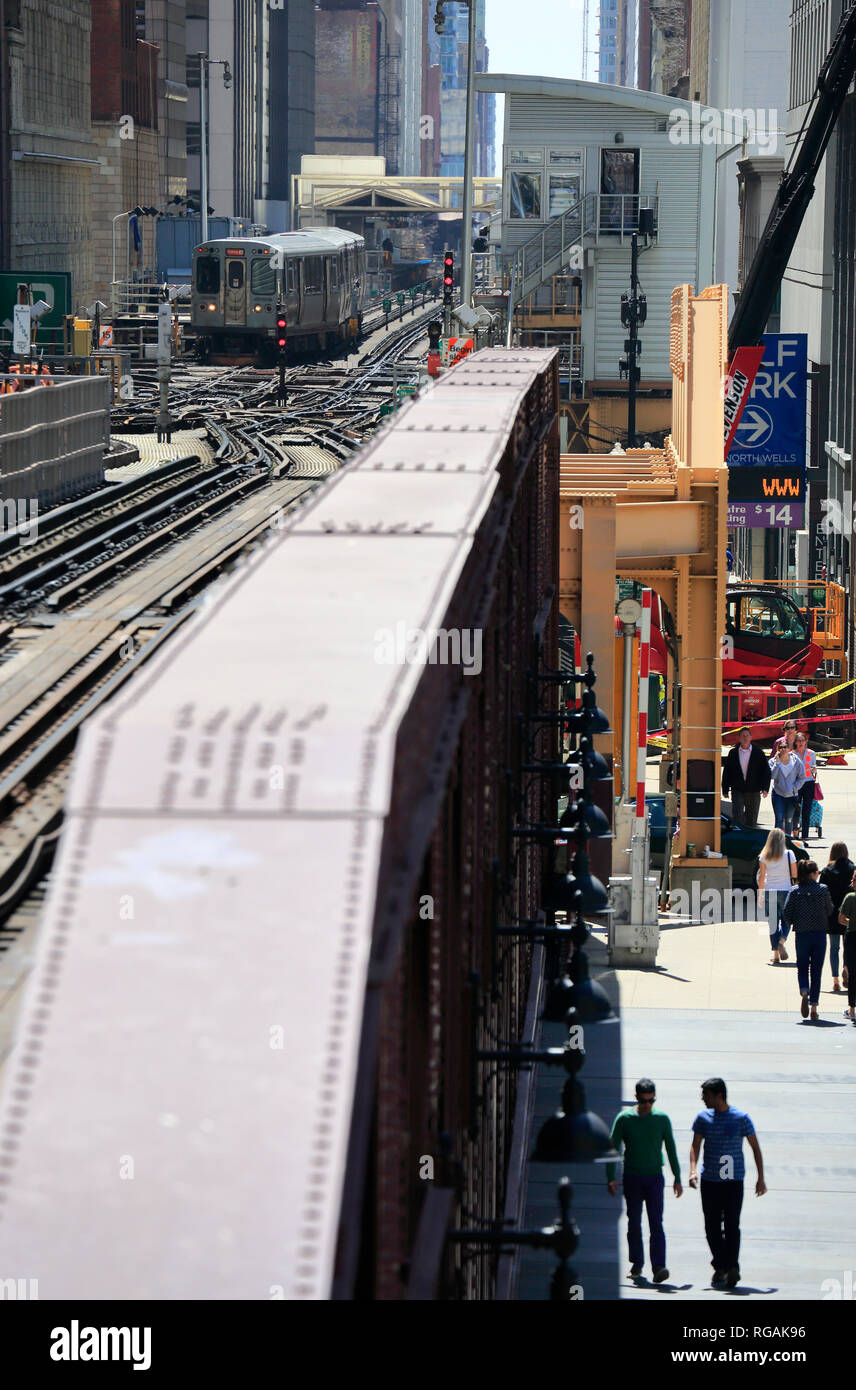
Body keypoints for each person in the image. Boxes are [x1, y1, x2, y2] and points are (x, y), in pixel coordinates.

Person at [689, 1078, 766, 1290]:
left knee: (732, 1225)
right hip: (711, 1181)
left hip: (733, 1181)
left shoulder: (741, 1118)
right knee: (711, 1227)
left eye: (706, 1095)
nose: (703, 1099)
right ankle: (723, 1265)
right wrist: (693, 1170)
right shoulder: (703, 1118)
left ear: (719, 1095)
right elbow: (695, 1146)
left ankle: (730, 1267)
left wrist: (760, 1178)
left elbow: (755, 1148)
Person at [607, 1078, 682, 1283]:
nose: (648, 1105)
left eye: (651, 1100)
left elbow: (671, 1148)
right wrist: (610, 1177)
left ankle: (659, 1266)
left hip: (654, 1177)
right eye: (644, 1100)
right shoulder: (624, 1119)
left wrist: (677, 1176)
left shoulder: (662, 1119)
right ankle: (637, 1264)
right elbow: (612, 1148)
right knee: (634, 1222)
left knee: (656, 1222)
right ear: (636, 1098)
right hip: (632, 1177)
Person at [782, 860, 833, 1021]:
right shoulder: (823, 890)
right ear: (812, 874)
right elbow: (830, 909)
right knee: (816, 971)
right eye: (817, 872)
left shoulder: (795, 891)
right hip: (819, 934)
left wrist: (794, 922)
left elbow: (787, 913)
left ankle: (804, 991)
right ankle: (814, 1007)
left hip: (802, 934)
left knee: (802, 967)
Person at [756, 828, 797, 965]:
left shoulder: (764, 856)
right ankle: (782, 941)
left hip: (769, 891)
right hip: (785, 891)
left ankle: (775, 955)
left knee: (773, 923)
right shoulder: (789, 854)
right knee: (786, 920)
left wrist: (760, 895)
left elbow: (761, 877)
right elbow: (795, 874)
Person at [820, 842, 854, 993]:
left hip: (832, 913)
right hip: (850, 913)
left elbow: (822, 893)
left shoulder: (827, 871)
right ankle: (846, 968)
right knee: (849, 947)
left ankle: (835, 980)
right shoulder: (853, 868)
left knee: (834, 948)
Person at [722, 726, 771, 827]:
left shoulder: (758, 753)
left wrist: (765, 788)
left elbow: (766, 771)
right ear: (739, 738)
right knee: (738, 817)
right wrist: (725, 789)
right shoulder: (733, 753)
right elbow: (727, 771)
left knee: (752, 819)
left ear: (751, 737)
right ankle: (739, 838)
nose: (745, 738)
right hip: (737, 790)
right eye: (743, 736)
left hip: (754, 790)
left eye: (747, 736)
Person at [768, 744, 805, 835]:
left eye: (785, 747)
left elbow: (802, 777)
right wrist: (777, 763)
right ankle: (777, 843)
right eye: (781, 747)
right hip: (778, 794)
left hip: (791, 796)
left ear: (789, 749)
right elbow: (772, 776)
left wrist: (794, 787)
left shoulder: (796, 761)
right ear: (778, 749)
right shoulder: (773, 761)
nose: (783, 749)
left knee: (789, 820)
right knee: (779, 819)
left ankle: (787, 842)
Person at [836, 869, 856, 1023]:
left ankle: (852, 1009)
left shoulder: (850, 898)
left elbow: (841, 919)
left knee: (853, 973)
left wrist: (852, 921)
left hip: (852, 936)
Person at [793, 732, 817, 844]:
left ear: (806, 742)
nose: (801, 743)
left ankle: (805, 837)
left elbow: (814, 767)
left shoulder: (812, 753)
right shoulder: (792, 754)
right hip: (797, 784)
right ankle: (795, 835)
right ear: (795, 742)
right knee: (795, 810)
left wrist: (814, 770)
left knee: (806, 811)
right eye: (799, 741)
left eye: (803, 740)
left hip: (808, 783)